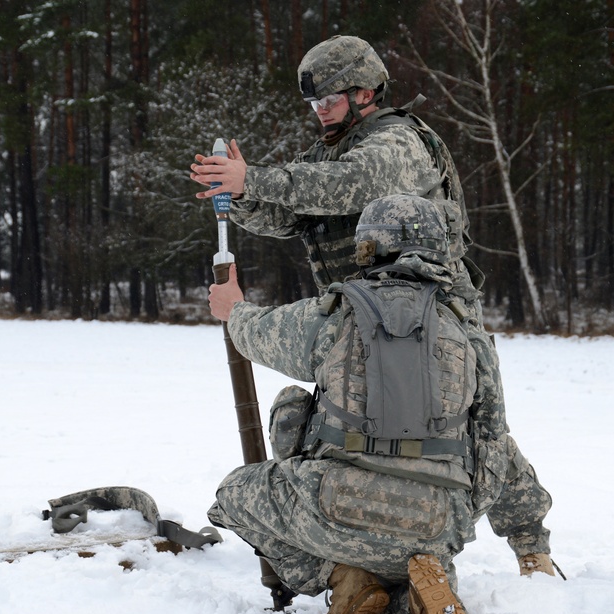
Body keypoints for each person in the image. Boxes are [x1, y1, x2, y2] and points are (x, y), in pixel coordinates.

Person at [192, 35, 554, 576]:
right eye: (313, 104)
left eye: (328, 100)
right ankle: (364, 548)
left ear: (364, 92)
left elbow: (344, 186)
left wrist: (255, 178)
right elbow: (295, 215)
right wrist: (242, 195)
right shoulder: (332, 150)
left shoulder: (398, 142)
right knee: (352, 432)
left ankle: (531, 549)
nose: (319, 112)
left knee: (476, 431)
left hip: (434, 320)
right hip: (360, 322)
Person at [207, 195, 540, 614]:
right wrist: (460, 521)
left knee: (232, 495)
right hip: (434, 522)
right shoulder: (470, 334)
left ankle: (343, 577)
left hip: (334, 508)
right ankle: (414, 600)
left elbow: (253, 334)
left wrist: (234, 307)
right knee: (412, 558)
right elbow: (494, 450)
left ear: (367, 247)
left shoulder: (334, 315)